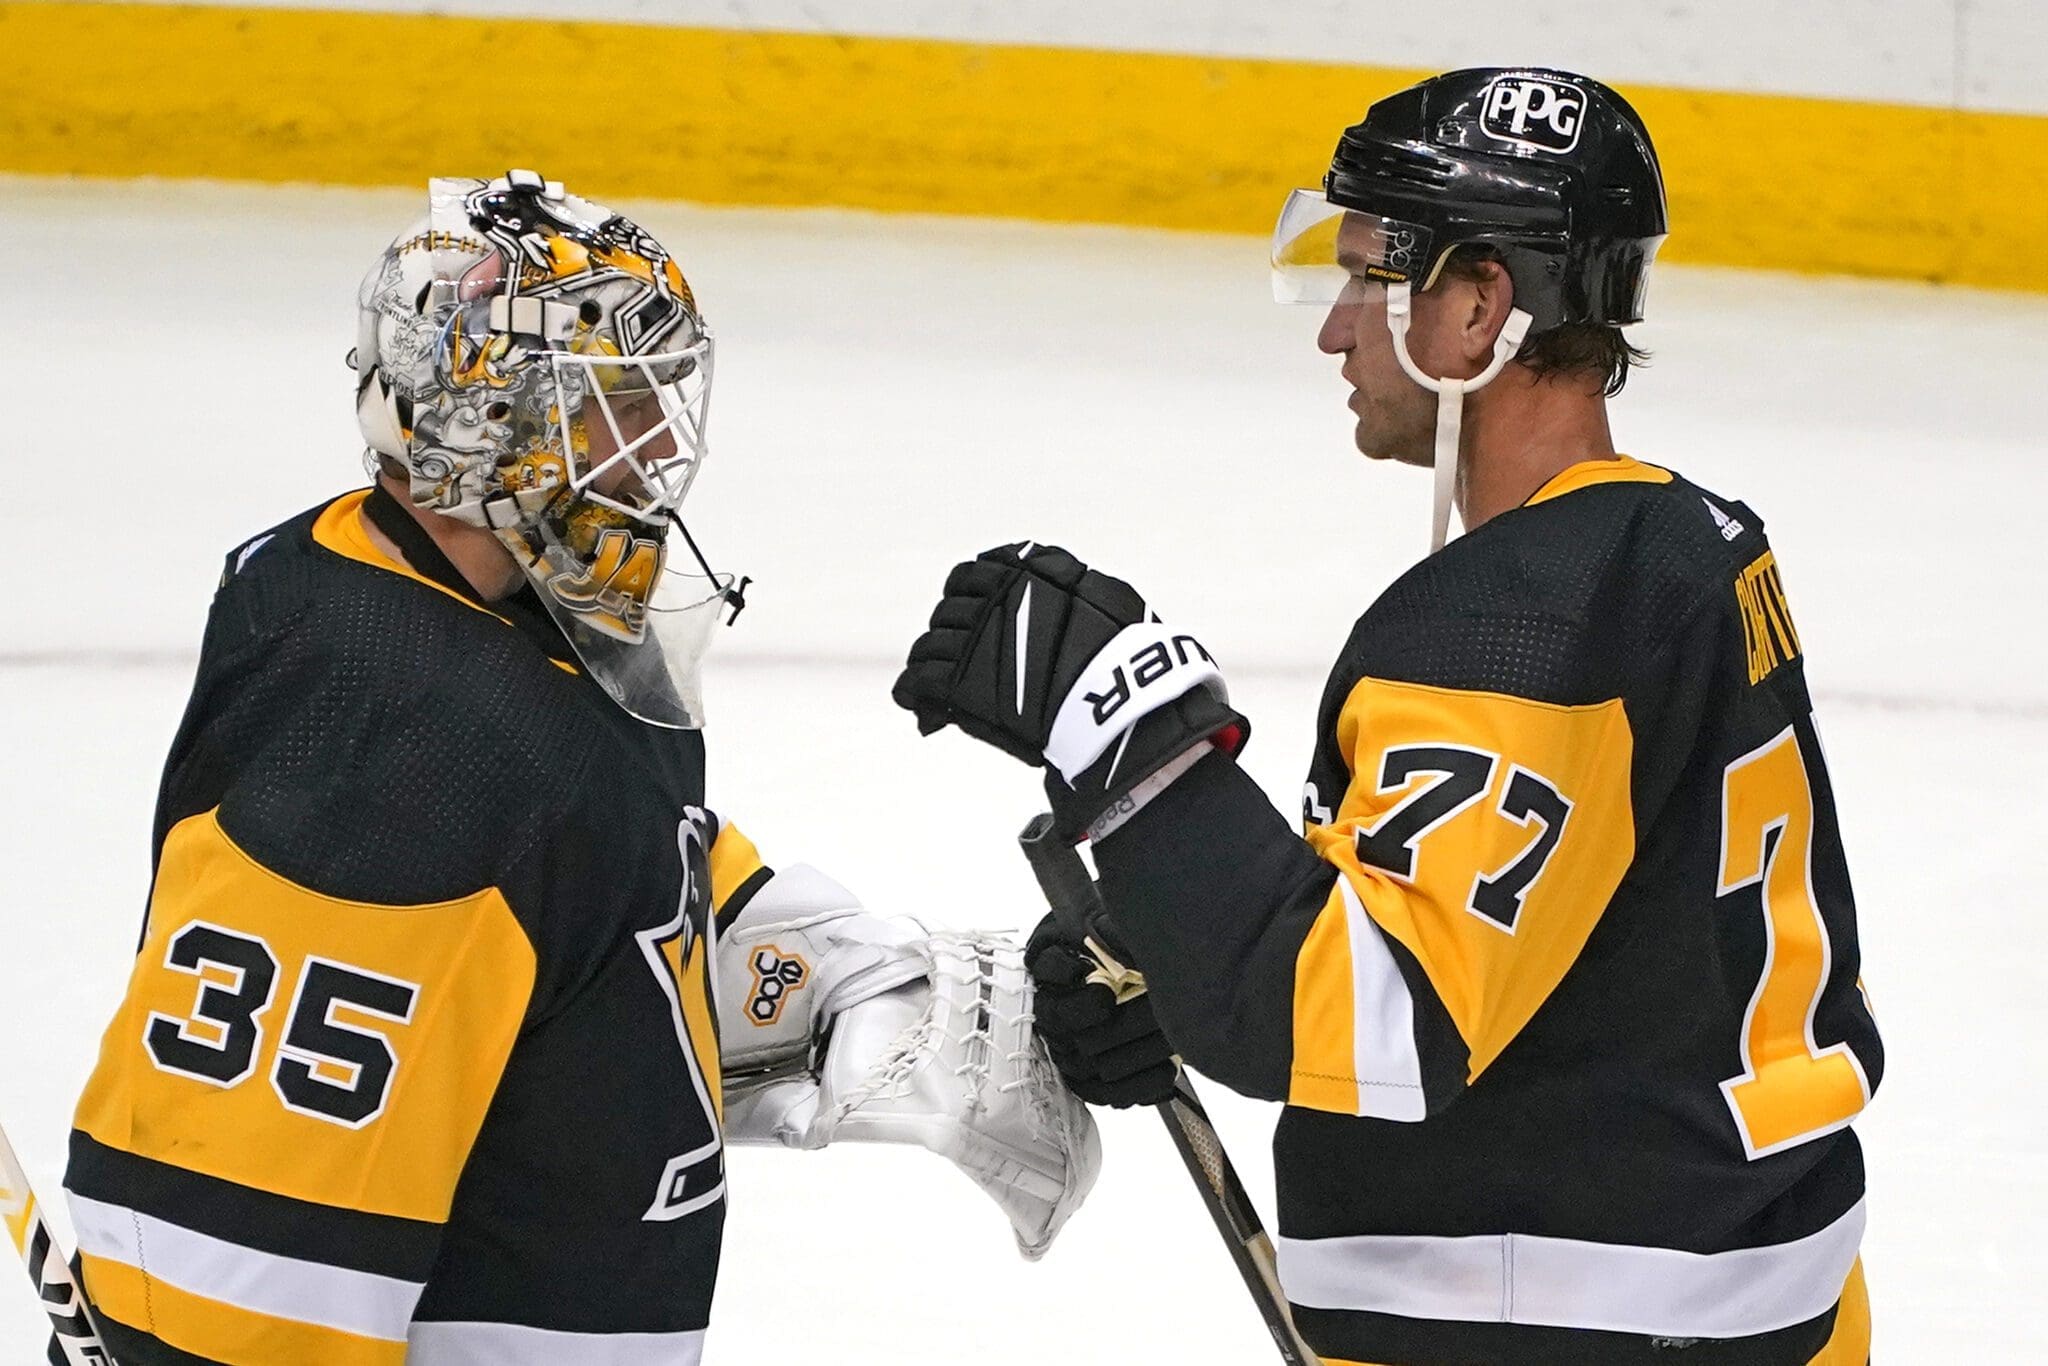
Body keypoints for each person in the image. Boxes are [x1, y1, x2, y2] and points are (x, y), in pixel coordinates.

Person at [894, 69, 1881, 1364]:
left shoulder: (1524, 614)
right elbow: (1567, 929)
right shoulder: (1675, 543)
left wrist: (1133, 735)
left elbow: (1369, 1007)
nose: (1336, 330)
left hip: (1569, 1323)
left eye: (1370, 279)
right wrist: (1175, 940)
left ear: (1476, 305)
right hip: (1730, 1300)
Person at [59, 170, 1097, 1365]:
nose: (659, 444)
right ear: (478, 422)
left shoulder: (466, 608)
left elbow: (571, 872)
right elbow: (246, 1258)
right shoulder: (399, 744)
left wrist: (833, 974)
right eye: (613, 405)